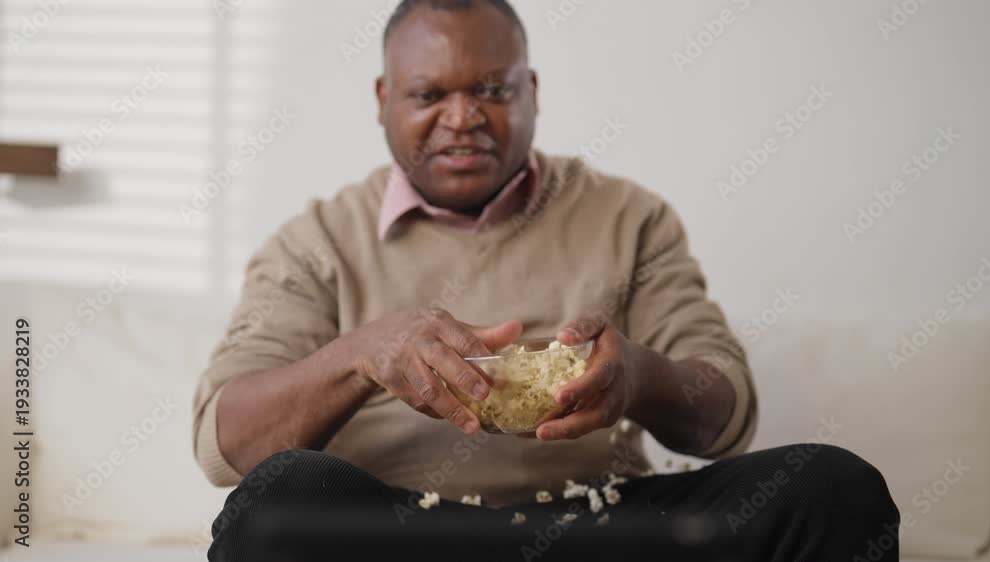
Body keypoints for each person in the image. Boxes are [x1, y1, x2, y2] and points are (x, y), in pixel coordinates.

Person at [192, 1, 899, 560]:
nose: (462, 118)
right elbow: (226, 442)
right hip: (400, 534)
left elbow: (725, 416)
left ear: (531, 90)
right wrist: (362, 355)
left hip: (601, 526)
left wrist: (637, 378)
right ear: (383, 99)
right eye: (428, 93)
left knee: (832, 489)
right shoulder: (315, 243)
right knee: (273, 505)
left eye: (492, 89)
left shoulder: (629, 217)